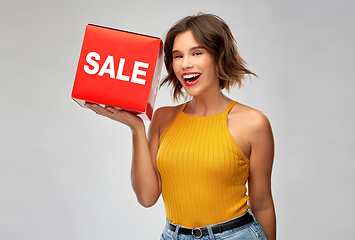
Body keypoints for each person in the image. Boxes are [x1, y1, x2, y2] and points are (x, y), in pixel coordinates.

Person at [85, 13, 276, 240]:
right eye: (178, 56)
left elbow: (262, 204)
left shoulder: (253, 123)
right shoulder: (163, 118)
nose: (185, 64)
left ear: (219, 56)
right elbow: (147, 197)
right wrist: (136, 128)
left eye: (197, 53)